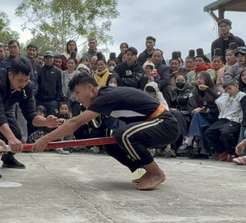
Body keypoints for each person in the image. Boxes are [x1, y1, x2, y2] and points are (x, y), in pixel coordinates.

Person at [32, 73, 179, 191]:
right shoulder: (104, 98)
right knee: (110, 142)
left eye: (78, 92)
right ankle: (145, 170)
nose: (77, 98)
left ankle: (156, 173)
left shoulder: (106, 96)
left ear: (90, 87)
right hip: (152, 125)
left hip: (165, 124)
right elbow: (78, 122)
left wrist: (46, 139)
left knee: (123, 135)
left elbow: (75, 122)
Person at [0, 58, 59, 179]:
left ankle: (8, 158)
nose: (23, 84)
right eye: (20, 80)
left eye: (26, 80)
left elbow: (30, 114)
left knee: (16, 134)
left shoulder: (27, 86)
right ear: (10, 74)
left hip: (5, 105)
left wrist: (45, 121)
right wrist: (10, 138)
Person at [203, 79, 246, 161]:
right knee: (209, 132)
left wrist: (245, 123)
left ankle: (233, 152)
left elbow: (245, 110)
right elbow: (216, 97)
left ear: (237, 86)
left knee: (226, 133)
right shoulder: (225, 95)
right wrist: (207, 89)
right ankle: (222, 151)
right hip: (223, 119)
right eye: (226, 89)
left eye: (230, 88)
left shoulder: (242, 96)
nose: (228, 91)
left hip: (235, 119)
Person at [36, 50, 63, 115]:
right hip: (40, 100)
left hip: (52, 101)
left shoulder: (57, 71)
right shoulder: (39, 70)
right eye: (47, 58)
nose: (49, 60)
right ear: (44, 59)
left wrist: (57, 99)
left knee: (52, 120)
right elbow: (37, 83)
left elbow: (59, 86)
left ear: (53, 59)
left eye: (50, 58)